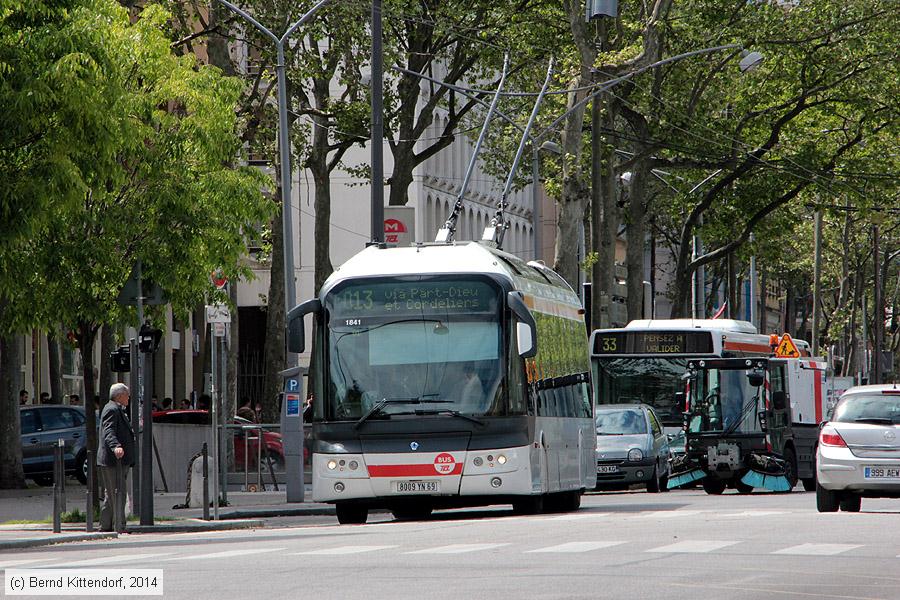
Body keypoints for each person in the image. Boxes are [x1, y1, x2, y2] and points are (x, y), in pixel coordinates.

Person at [97, 383, 135, 533]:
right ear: (119, 395)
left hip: (118, 461)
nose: (129, 397)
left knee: (111, 493)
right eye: (127, 395)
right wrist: (115, 446)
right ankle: (120, 525)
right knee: (118, 493)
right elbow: (109, 431)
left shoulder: (116, 408)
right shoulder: (112, 409)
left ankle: (106, 525)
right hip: (114, 461)